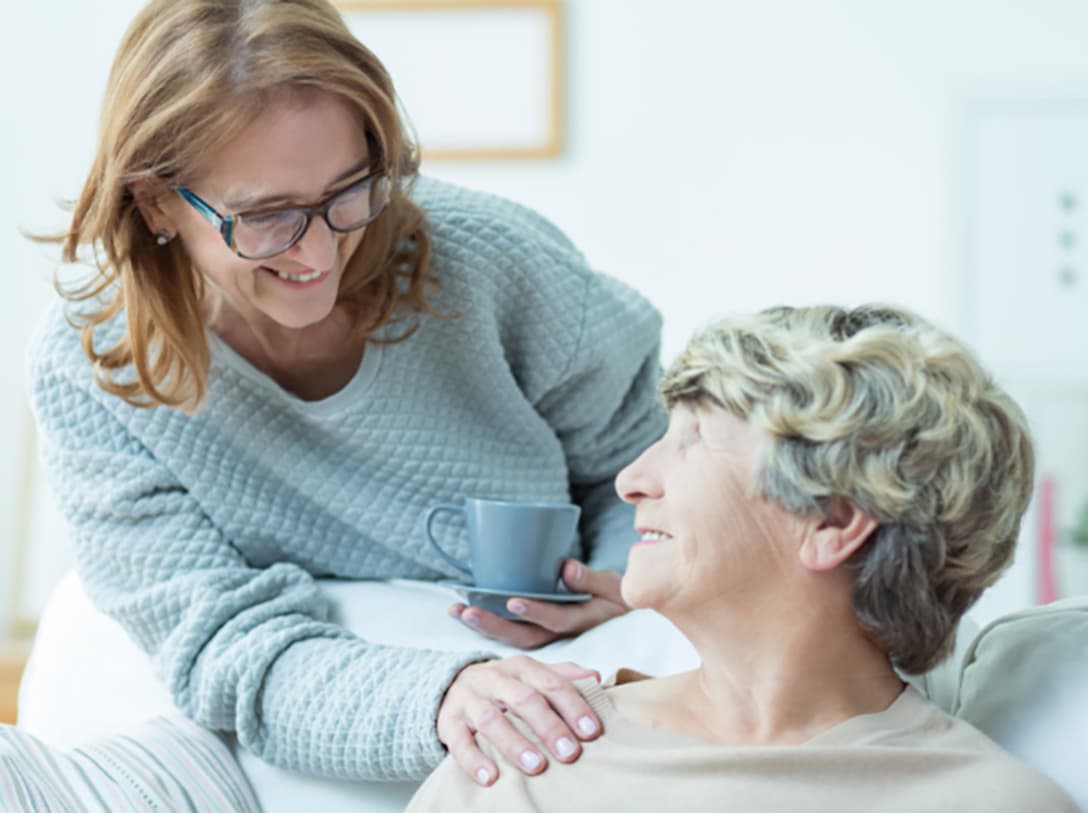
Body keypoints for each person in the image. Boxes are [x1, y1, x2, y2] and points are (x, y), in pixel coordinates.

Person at [22, 0, 666, 794]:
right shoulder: (93, 364)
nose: (319, 252)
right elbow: (224, 646)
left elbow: (647, 463)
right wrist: (440, 694)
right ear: (157, 201)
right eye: (266, 217)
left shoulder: (492, 262)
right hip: (343, 703)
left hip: (561, 673)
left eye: (350, 190)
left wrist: (619, 579)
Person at [407, 304, 1080, 812]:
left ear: (833, 519)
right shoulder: (525, 753)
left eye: (695, 436)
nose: (630, 479)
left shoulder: (993, 802)